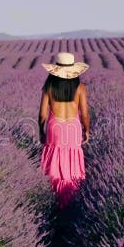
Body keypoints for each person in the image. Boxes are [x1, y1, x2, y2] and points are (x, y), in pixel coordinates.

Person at [38, 52, 90, 209]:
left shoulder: (49, 86)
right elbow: (85, 113)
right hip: (73, 128)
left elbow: (42, 114)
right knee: (71, 163)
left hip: (55, 127)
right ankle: (70, 202)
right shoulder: (80, 88)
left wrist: (41, 131)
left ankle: (53, 201)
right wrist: (86, 130)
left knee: (54, 162)